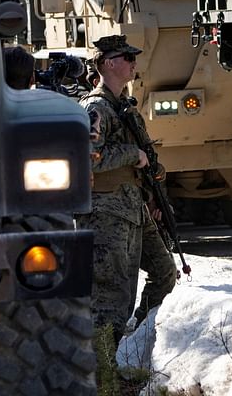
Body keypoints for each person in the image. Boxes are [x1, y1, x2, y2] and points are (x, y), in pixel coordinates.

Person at [79, 35, 175, 338]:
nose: (134, 63)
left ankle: (135, 339)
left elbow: (147, 157)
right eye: (127, 58)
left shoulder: (124, 107)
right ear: (108, 63)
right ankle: (105, 370)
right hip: (105, 212)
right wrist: (132, 155)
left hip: (133, 208)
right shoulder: (96, 108)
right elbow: (88, 158)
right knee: (112, 296)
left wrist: (154, 195)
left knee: (164, 272)